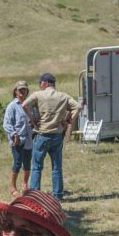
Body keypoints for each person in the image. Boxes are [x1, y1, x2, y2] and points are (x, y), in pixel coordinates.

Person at [23, 73, 80, 201]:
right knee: (57, 167)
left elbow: (24, 105)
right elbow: (78, 107)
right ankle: (58, 196)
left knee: (37, 166)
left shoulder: (38, 95)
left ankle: (34, 196)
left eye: (40, 83)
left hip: (42, 134)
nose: (39, 85)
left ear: (45, 83)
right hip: (56, 136)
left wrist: (32, 120)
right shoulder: (63, 96)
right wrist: (68, 121)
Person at [3, 80, 33, 196]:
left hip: (29, 139)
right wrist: (14, 134)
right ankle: (12, 187)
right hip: (17, 140)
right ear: (15, 91)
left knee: (27, 162)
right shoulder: (12, 106)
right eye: (20, 90)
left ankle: (25, 185)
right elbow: (7, 124)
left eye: (24, 89)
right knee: (17, 162)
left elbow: (34, 118)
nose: (22, 91)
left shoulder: (30, 105)